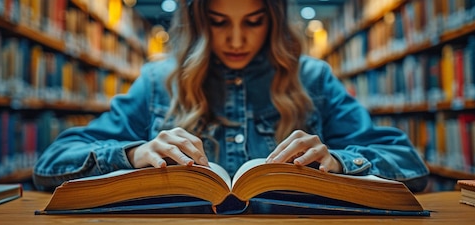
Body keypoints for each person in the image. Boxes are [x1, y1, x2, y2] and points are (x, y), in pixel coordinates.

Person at [32, 0, 429, 192]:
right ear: (199, 22)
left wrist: (340, 161)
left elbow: (410, 166)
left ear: (272, 22)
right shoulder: (159, 81)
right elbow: (50, 165)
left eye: (253, 23)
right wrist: (133, 154)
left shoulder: (313, 78)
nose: (236, 40)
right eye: (219, 23)